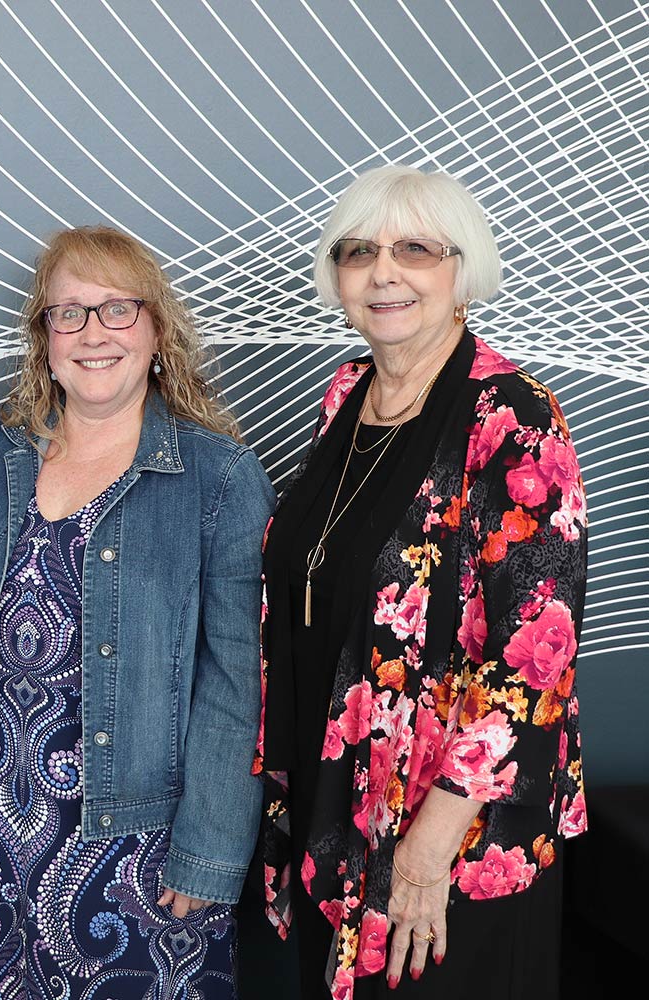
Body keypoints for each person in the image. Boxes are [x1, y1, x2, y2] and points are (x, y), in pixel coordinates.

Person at [0, 226, 275, 998]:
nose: (92, 333)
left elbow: (238, 684)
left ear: (157, 330)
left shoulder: (220, 478)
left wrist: (209, 849)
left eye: (117, 310)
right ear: (43, 338)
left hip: (145, 836)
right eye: (68, 313)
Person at [254, 165, 588, 999]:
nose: (383, 272)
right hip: (338, 801)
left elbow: (532, 666)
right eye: (359, 251)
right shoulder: (348, 392)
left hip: (450, 833)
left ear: (461, 268)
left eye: (415, 250)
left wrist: (428, 848)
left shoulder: (512, 418)